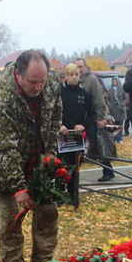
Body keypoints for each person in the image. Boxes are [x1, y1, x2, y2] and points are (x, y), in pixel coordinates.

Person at [0, 50, 62, 262]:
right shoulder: (2, 97)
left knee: (47, 213)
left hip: (37, 162)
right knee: (10, 219)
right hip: (2, 168)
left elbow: (55, 117)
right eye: (32, 82)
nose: (38, 87)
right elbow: (4, 149)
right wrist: (19, 188)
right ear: (18, 74)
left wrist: (49, 152)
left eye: (42, 81)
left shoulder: (50, 85)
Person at [74, 58, 115, 181]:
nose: (79, 69)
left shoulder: (91, 79)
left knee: (97, 145)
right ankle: (74, 175)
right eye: (77, 67)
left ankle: (108, 171)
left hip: (92, 119)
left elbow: (99, 98)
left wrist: (100, 117)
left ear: (85, 67)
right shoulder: (75, 80)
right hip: (79, 120)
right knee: (77, 148)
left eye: (81, 66)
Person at [59, 63, 96, 197]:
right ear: (66, 76)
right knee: (62, 166)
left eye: (76, 75)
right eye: (71, 75)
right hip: (62, 136)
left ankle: (73, 192)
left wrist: (83, 125)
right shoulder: (59, 92)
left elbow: (92, 113)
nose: (74, 78)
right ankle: (60, 192)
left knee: (75, 164)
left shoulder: (84, 93)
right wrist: (59, 125)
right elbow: (51, 112)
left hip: (77, 136)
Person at [107, 77, 128, 144]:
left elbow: (126, 98)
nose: (114, 82)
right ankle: (115, 138)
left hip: (120, 109)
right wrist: (110, 105)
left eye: (115, 81)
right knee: (114, 125)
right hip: (113, 110)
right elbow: (107, 99)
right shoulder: (110, 90)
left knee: (120, 125)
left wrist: (122, 104)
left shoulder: (122, 89)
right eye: (113, 81)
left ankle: (120, 138)